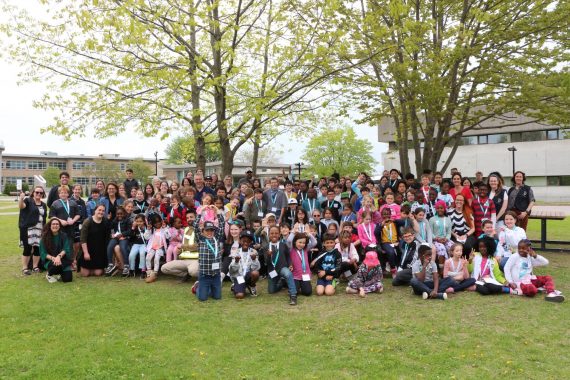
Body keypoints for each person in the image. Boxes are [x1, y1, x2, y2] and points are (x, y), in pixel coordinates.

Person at [194, 206, 226, 301]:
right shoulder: (201, 239)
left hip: (216, 275)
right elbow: (195, 227)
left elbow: (222, 225)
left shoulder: (216, 238)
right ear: (203, 231)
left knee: (217, 297)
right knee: (203, 298)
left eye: (211, 230)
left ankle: (210, 288)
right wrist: (200, 212)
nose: (209, 232)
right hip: (204, 274)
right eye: (207, 230)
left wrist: (217, 211)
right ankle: (197, 286)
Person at [161, 211, 200, 286]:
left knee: (193, 271)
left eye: (191, 217)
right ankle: (186, 274)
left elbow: (198, 246)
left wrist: (182, 246)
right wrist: (180, 250)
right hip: (184, 260)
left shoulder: (201, 229)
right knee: (164, 268)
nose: (189, 219)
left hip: (195, 260)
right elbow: (184, 244)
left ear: (196, 218)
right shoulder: (185, 229)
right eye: (187, 218)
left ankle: (201, 275)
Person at [18, 186, 47, 275]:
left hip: (39, 229)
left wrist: (44, 229)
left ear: (43, 194)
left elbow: (44, 218)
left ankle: (35, 266)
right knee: (27, 248)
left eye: (40, 193)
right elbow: (21, 206)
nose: (38, 194)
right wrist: (21, 198)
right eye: (37, 192)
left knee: (37, 248)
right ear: (33, 192)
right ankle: (25, 268)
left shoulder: (43, 205)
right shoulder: (28, 201)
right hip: (28, 229)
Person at [265, 226, 297, 305]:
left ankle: (293, 295)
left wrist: (290, 264)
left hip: (282, 268)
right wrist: (269, 256)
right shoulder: (266, 247)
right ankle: (282, 283)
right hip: (272, 271)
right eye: (272, 233)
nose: (274, 235)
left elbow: (288, 256)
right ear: (269, 235)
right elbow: (267, 263)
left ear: (279, 234)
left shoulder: (283, 245)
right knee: (271, 291)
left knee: (288, 274)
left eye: (276, 233)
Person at [79, 204, 111, 277]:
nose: (101, 212)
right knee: (85, 274)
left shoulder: (106, 222)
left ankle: (95, 268)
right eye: (99, 210)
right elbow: (83, 239)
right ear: (95, 211)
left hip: (100, 251)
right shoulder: (87, 221)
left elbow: (107, 238)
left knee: (98, 273)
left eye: (103, 211)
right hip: (88, 250)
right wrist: (86, 253)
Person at [228, 230, 261, 299]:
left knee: (255, 273)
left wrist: (254, 260)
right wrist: (236, 262)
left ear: (251, 242)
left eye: (248, 241)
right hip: (239, 277)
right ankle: (237, 285)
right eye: (244, 241)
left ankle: (251, 285)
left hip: (248, 275)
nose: (246, 243)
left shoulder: (254, 251)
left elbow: (257, 268)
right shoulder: (236, 252)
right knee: (239, 296)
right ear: (240, 241)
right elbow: (231, 270)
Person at [39, 219, 73, 283]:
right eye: (53, 224)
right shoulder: (44, 237)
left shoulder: (64, 235)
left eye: (57, 224)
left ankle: (59, 273)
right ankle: (49, 275)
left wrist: (59, 256)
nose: (55, 225)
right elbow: (43, 253)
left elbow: (66, 249)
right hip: (50, 260)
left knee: (68, 279)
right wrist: (53, 258)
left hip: (62, 259)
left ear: (59, 226)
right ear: (50, 226)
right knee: (56, 264)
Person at [105, 206, 132, 277]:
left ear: (124, 214)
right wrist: (112, 234)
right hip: (116, 237)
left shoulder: (127, 220)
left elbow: (130, 231)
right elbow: (111, 228)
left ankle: (126, 265)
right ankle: (110, 264)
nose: (119, 215)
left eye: (121, 214)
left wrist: (122, 234)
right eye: (118, 214)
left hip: (124, 237)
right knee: (110, 246)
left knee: (123, 248)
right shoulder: (115, 220)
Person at [289, 232, 317, 297]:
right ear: (295, 241)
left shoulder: (305, 249)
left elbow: (314, 242)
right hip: (295, 275)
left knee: (308, 292)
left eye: (303, 243)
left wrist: (309, 234)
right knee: (295, 292)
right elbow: (289, 240)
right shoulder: (292, 249)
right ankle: (293, 285)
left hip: (305, 275)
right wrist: (293, 232)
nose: (301, 245)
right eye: (299, 242)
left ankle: (302, 286)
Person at [143, 213, 168, 283]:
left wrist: (165, 228)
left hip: (160, 248)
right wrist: (148, 229)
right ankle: (149, 272)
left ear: (161, 221)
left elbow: (168, 236)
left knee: (156, 259)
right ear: (153, 224)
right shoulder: (152, 230)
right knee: (148, 258)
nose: (157, 224)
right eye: (155, 223)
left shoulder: (164, 229)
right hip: (152, 247)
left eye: (159, 222)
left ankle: (155, 273)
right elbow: (146, 237)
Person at [128, 214, 147, 278]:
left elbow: (148, 237)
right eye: (137, 221)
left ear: (144, 221)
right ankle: (132, 270)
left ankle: (143, 270)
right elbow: (130, 237)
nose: (139, 223)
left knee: (142, 253)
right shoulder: (135, 228)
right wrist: (133, 228)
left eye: (141, 221)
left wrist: (145, 229)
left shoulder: (146, 228)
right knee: (131, 255)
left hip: (144, 244)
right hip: (136, 244)